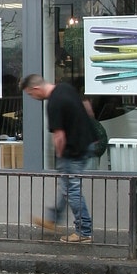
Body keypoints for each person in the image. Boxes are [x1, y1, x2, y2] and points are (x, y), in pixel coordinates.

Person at [21, 73, 97, 243]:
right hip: (86, 144)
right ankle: (53, 218)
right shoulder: (65, 88)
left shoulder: (53, 103)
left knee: (72, 190)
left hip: (73, 150)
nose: (32, 98)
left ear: (36, 88)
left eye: (31, 94)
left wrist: (59, 157)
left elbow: (59, 136)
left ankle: (84, 231)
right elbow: (87, 107)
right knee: (67, 186)